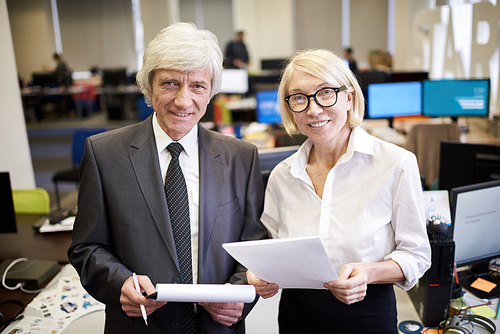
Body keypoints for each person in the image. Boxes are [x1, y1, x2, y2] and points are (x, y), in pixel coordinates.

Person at [68, 22, 267, 334]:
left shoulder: (241, 157)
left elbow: (256, 244)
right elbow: (87, 248)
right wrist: (121, 284)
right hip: (139, 326)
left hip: (217, 328)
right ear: (149, 86)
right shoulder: (104, 154)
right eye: (170, 84)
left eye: (198, 86)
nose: (183, 101)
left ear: (212, 90)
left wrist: (238, 294)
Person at [247, 49, 431, 333]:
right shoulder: (282, 176)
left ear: (349, 97)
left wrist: (369, 272)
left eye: (325, 93)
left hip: (366, 314)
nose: (313, 109)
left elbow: (417, 255)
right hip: (297, 316)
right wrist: (261, 275)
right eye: (299, 98)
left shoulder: (395, 164)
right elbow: (271, 247)